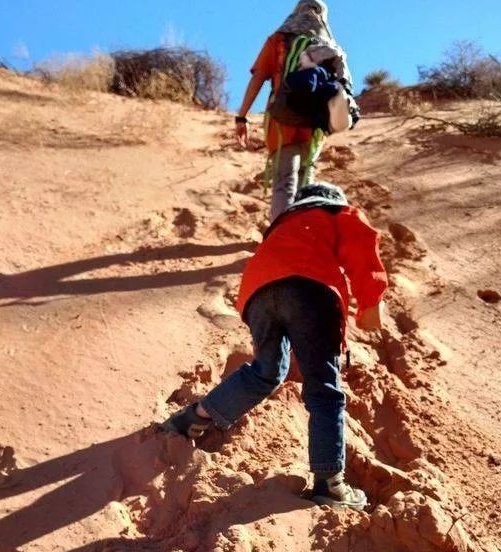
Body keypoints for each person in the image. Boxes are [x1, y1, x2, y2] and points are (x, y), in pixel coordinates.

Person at [161, 182, 388, 511]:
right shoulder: (339, 212)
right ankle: (330, 484)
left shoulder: (283, 223)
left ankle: (192, 418)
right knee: (323, 389)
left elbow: (273, 261)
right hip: (311, 289)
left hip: (258, 293)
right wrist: (371, 301)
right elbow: (362, 250)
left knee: (266, 371)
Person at [234, 0, 353, 221]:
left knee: (284, 180)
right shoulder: (329, 47)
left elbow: (258, 77)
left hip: (281, 120)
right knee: (305, 179)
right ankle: (300, 235)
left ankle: (280, 236)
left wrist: (241, 117)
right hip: (315, 124)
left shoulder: (279, 40)